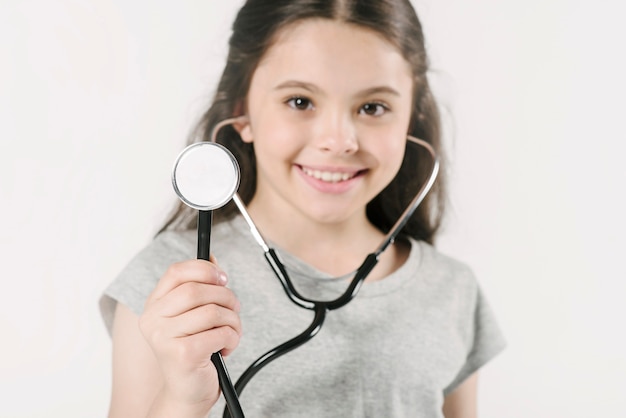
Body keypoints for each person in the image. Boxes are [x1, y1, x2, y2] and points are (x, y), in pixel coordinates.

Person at [100, 0, 506, 417]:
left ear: (410, 121)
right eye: (299, 101)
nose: (339, 139)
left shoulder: (452, 289)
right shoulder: (169, 284)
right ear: (242, 111)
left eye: (373, 107)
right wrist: (183, 401)